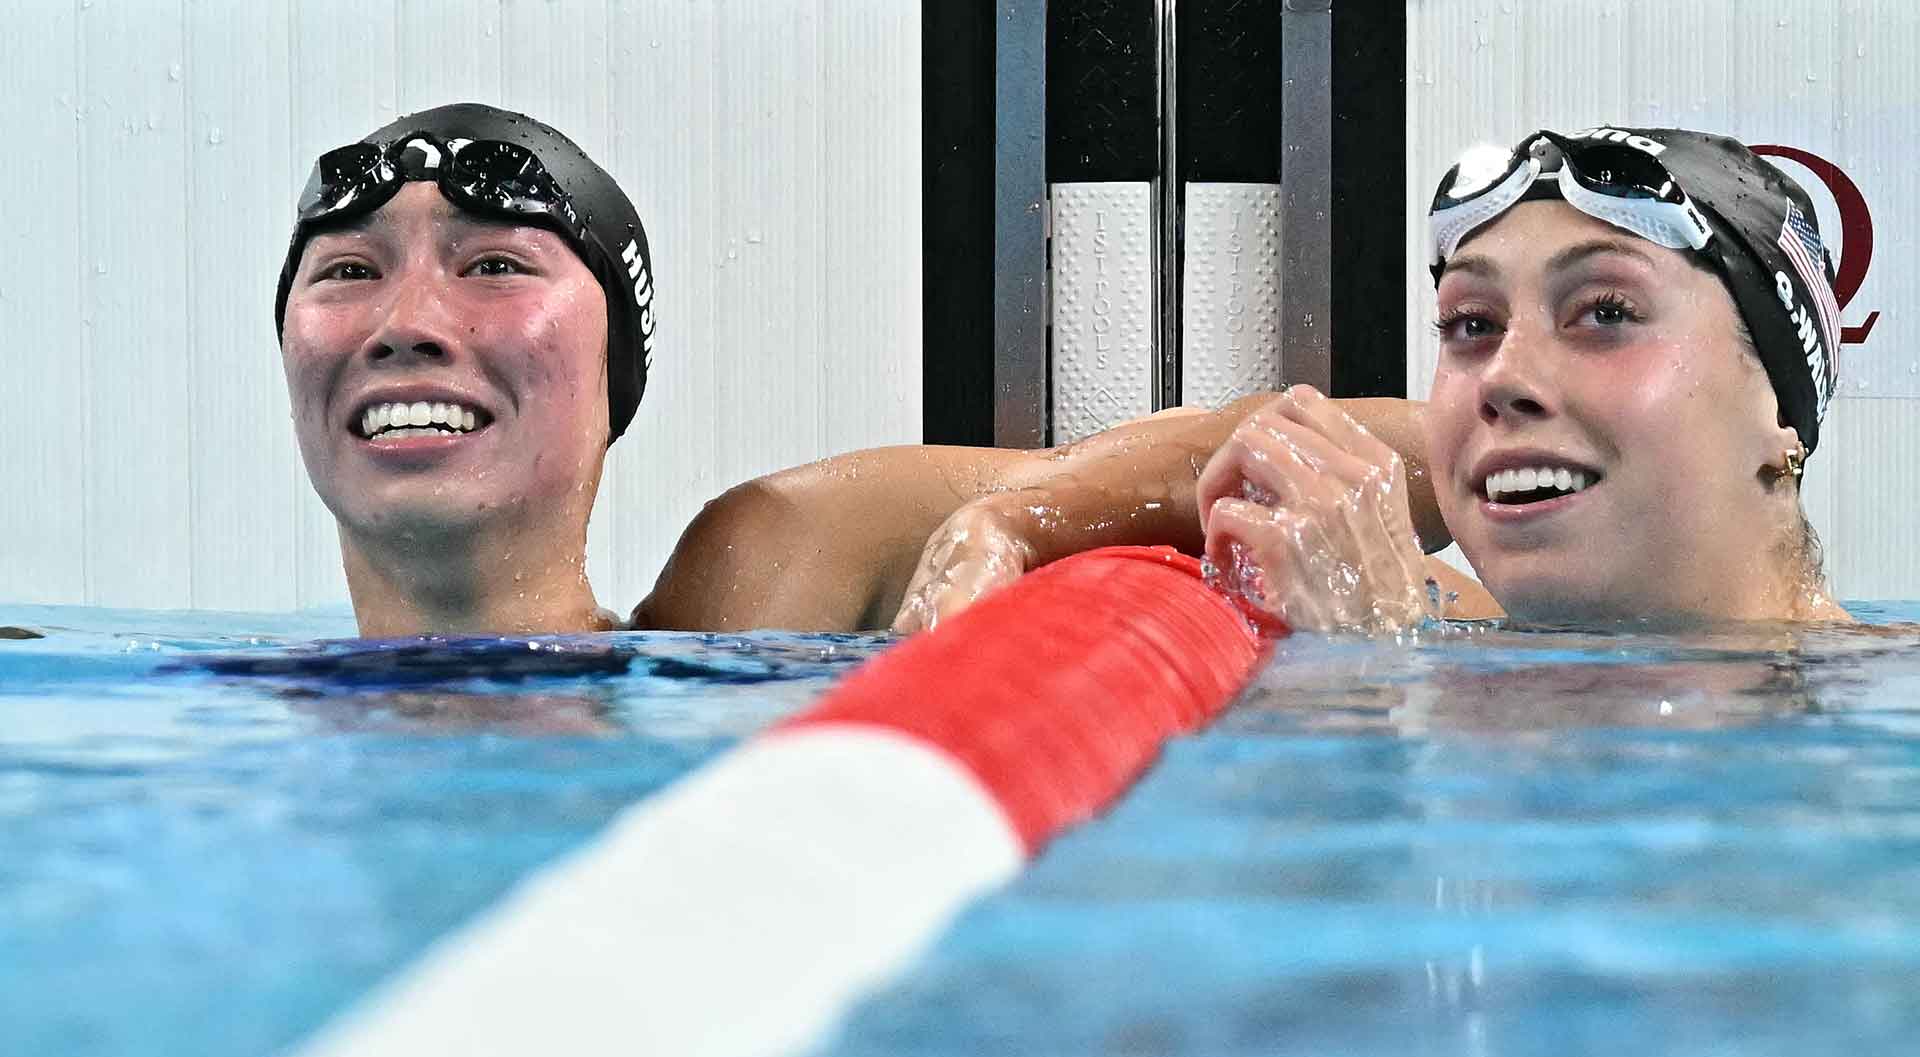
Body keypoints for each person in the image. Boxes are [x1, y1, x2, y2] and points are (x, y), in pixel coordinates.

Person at [275, 102, 1432, 637]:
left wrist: (1010, 526)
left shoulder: (762, 586)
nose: (408, 321)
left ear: (614, 364)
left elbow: (1385, 444)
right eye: (345, 273)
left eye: (490, 265)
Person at [1194, 126, 1853, 631]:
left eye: (1605, 311)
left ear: (1780, 413)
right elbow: (1256, 443)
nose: (1502, 376)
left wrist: (1367, 674)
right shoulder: (1442, 622)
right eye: (1472, 324)